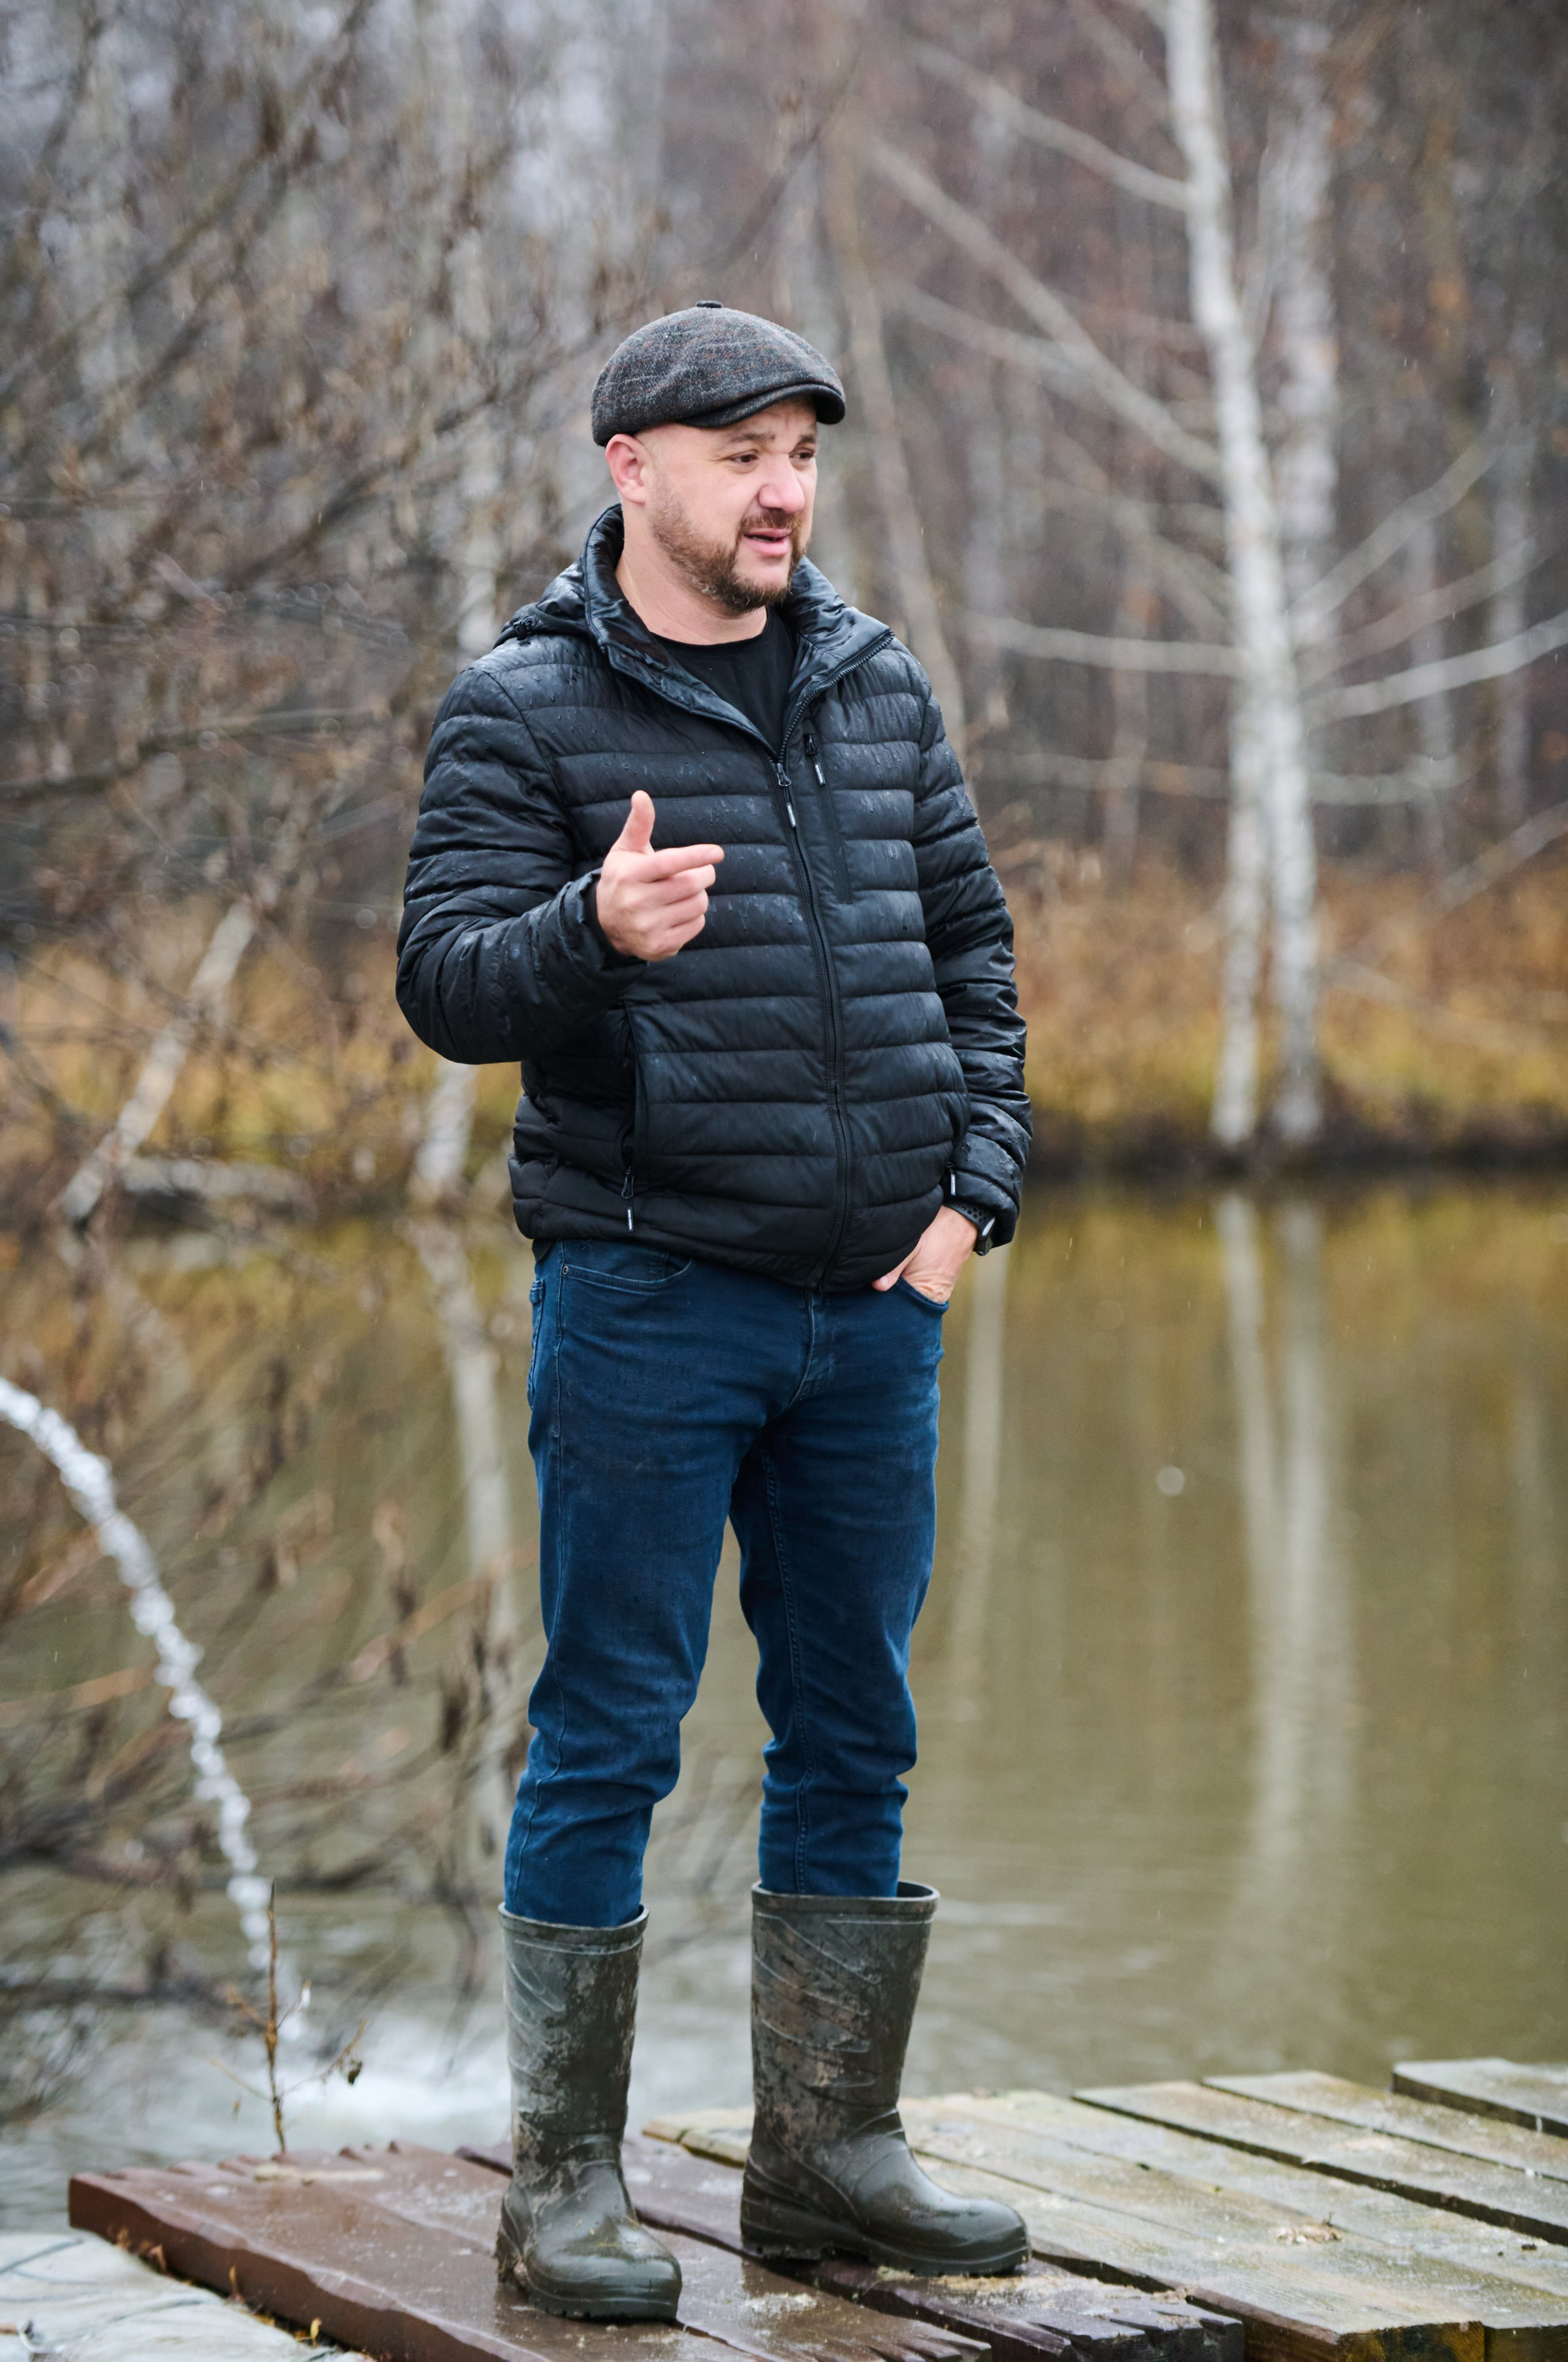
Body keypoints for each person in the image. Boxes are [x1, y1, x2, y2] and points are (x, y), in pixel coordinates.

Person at [397, 301, 1031, 2321]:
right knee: (610, 1732)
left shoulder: (873, 685)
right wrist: (588, 935)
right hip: (652, 1300)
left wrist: (966, 1213)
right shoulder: (524, 708)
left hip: (872, 1316)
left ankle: (828, 2163)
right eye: (744, 451)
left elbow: (980, 970)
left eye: (805, 453)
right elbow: (444, 983)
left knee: (858, 1728)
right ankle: (561, 2191)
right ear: (632, 471)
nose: (784, 490)